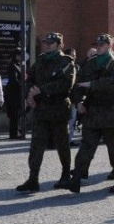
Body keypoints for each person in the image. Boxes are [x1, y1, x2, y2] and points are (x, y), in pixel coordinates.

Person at [16, 33, 76, 194]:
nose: (47, 45)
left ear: (59, 45)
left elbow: (66, 84)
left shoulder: (66, 61)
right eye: (45, 43)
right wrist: (29, 95)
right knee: (36, 145)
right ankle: (33, 179)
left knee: (61, 144)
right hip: (41, 109)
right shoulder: (41, 60)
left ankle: (65, 175)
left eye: (51, 43)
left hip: (58, 108)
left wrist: (41, 90)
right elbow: (29, 80)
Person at [69, 34, 114, 193]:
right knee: (86, 146)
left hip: (111, 111)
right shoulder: (91, 63)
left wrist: (91, 84)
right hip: (92, 111)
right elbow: (78, 84)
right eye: (98, 44)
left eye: (103, 44)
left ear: (110, 45)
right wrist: (79, 101)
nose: (99, 46)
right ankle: (77, 177)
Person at [4, 48, 25, 139]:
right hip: (13, 93)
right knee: (14, 114)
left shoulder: (18, 65)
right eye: (20, 55)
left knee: (18, 113)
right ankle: (13, 134)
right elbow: (14, 80)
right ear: (16, 55)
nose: (21, 57)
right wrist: (22, 87)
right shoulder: (12, 65)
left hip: (18, 93)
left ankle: (16, 131)